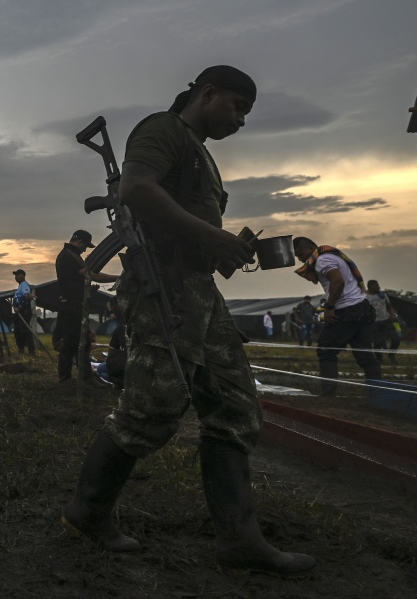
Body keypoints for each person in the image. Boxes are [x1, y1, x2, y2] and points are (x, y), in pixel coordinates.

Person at [62, 66, 315, 576]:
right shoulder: (163, 130)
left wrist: (223, 247)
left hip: (199, 291)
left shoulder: (200, 152)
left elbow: (183, 221)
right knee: (151, 409)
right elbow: (135, 189)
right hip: (163, 290)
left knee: (235, 408)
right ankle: (87, 514)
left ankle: (239, 540)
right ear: (207, 93)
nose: (241, 121)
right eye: (237, 108)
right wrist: (209, 235)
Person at [293, 237, 381, 396]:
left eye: (301, 253)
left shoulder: (322, 260)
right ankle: (379, 395)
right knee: (365, 355)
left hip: (345, 311)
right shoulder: (331, 256)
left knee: (326, 350)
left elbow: (337, 282)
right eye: (297, 256)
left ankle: (328, 394)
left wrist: (329, 307)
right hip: (361, 308)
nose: (300, 258)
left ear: (312, 247)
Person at [54, 230, 118, 382]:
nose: (85, 250)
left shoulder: (70, 255)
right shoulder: (70, 256)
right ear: (80, 242)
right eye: (85, 247)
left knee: (77, 341)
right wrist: (120, 276)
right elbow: (92, 275)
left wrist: (87, 288)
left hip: (72, 304)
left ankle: (77, 377)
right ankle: (76, 378)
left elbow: (74, 281)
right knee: (74, 342)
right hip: (72, 305)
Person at [365, 280, 400, 365]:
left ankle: (391, 355)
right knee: (377, 343)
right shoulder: (365, 297)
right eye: (376, 286)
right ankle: (379, 359)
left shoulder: (383, 295)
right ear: (371, 287)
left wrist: (393, 314)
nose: (378, 287)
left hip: (386, 320)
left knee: (396, 339)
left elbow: (389, 306)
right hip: (374, 322)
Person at [96, 298, 127, 389]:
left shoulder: (119, 330)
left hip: (124, 365)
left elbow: (111, 353)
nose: (110, 312)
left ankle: (120, 383)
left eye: (110, 309)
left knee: (101, 369)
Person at [12, 269, 36, 356]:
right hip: (18, 312)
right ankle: (21, 349)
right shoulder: (20, 286)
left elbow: (27, 296)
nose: (16, 277)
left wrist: (19, 308)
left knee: (25, 331)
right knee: (18, 332)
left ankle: (31, 351)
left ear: (23, 275)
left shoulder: (24, 285)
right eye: (15, 275)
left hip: (23, 312)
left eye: (18, 275)